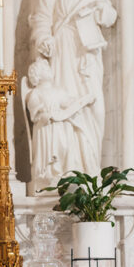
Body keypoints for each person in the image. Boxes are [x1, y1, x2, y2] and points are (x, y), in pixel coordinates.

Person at [28, 0, 116, 177]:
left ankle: (91, 166)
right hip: (64, 51)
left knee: (94, 106)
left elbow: (111, 15)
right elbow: (42, 18)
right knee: (66, 105)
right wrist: (44, 39)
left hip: (88, 53)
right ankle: (68, 166)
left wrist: (101, 12)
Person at [22, 56, 95, 192]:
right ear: (36, 74)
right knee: (51, 153)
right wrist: (45, 116)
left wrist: (84, 99)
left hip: (62, 128)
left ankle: (65, 173)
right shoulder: (35, 93)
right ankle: (49, 174)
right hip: (47, 129)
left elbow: (70, 104)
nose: (49, 70)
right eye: (44, 68)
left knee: (66, 147)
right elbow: (34, 114)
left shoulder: (59, 91)